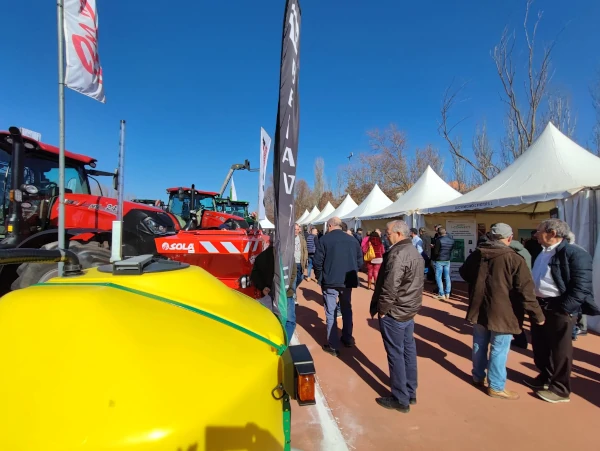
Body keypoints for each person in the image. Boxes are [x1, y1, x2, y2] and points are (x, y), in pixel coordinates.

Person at [459, 223, 545, 400]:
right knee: (499, 348)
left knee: (479, 343)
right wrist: (537, 315)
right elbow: (525, 290)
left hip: (480, 307)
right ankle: (496, 386)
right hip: (504, 310)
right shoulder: (514, 259)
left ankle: (477, 376)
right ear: (509, 238)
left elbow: (464, 273)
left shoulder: (478, 254)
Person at [525, 219, 600, 403]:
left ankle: (560, 389)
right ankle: (545, 377)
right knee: (540, 345)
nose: (535, 234)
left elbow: (581, 288)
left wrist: (565, 309)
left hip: (560, 308)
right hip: (541, 306)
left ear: (552, 233)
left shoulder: (575, 253)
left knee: (560, 350)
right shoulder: (542, 252)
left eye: (539, 230)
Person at [370, 220, 423, 413]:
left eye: (388, 232)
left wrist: (383, 309)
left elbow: (390, 286)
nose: (386, 235)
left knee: (396, 353)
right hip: (408, 308)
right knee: (408, 350)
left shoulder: (399, 254)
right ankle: (410, 390)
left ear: (399, 234)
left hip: (396, 310)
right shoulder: (413, 251)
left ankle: (401, 397)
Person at [313, 217, 364, 357]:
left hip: (330, 280)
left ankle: (333, 344)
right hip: (347, 281)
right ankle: (347, 338)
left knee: (331, 312)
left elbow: (317, 262)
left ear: (330, 225)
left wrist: (320, 277)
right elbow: (360, 261)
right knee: (346, 308)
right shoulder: (352, 240)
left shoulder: (325, 239)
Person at [250, 244, 297, 343]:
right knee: (289, 321)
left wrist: (263, 287)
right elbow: (293, 273)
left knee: (271, 321)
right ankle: (283, 345)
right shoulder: (287, 256)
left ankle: (274, 343)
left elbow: (255, 274)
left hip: (269, 294)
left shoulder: (262, 256)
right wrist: (285, 287)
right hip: (284, 294)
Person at [431, 227, 454, 299]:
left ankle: (441, 293)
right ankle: (447, 293)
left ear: (438, 233)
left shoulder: (438, 240)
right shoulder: (451, 240)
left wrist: (433, 247)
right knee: (447, 276)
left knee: (438, 276)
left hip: (439, 260)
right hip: (447, 259)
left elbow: (436, 252)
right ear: (445, 232)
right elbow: (451, 250)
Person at [293, 224, 308, 305]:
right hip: (293, 262)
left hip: (300, 262)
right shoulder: (289, 238)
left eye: (297, 229)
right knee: (294, 280)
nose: (296, 230)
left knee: (300, 278)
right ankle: (294, 297)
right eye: (294, 229)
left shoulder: (302, 238)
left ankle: (293, 289)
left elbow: (305, 249)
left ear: (299, 230)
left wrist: (305, 259)